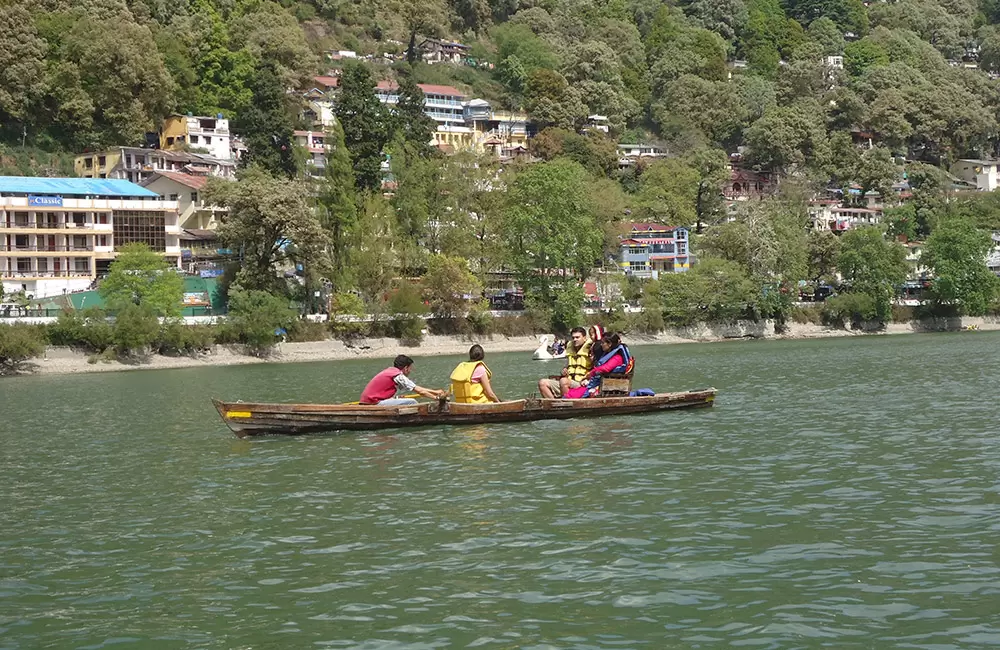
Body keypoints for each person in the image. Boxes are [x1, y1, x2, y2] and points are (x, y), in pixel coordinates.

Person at [565, 332, 633, 399]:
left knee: (570, 395)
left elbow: (605, 369)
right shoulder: (607, 355)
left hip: (606, 387)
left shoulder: (617, 358)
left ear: (609, 344)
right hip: (599, 384)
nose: (601, 345)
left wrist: (589, 374)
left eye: (603, 343)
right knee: (569, 393)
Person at [359, 354, 447, 405]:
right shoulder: (398, 376)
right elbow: (420, 392)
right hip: (373, 403)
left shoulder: (390, 371)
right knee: (412, 402)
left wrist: (436, 392)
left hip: (370, 401)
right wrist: (437, 398)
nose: (410, 371)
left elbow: (416, 387)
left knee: (398, 399)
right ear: (405, 368)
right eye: (410, 368)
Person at [538, 327, 592, 398]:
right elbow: (566, 367)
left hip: (582, 383)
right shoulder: (570, 350)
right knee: (542, 383)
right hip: (568, 381)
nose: (575, 339)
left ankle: (565, 404)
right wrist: (563, 371)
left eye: (577, 337)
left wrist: (588, 380)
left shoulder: (590, 349)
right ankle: (555, 406)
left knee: (563, 381)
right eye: (573, 338)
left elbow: (597, 369)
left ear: (584, 338)